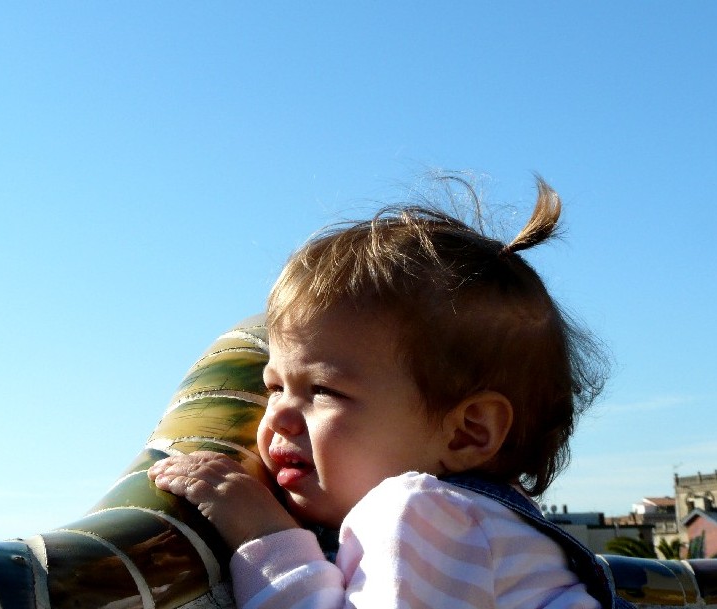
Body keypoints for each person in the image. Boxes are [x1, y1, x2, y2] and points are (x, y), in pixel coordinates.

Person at [148, 176, 624, 608]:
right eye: (274, 386)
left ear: (467, 432)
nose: (280, 418)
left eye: (323, 390)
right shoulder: (488, 528)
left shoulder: (420, 516)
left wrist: (263, 534)